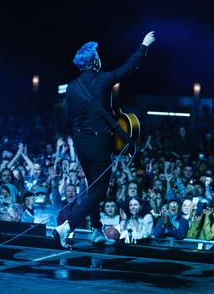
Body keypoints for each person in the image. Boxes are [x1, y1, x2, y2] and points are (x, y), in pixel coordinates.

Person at [53, 30, 156, 249]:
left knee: (92, 188)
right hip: (100, 145)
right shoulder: (103, 80)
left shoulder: (71, 87)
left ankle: (96, 230)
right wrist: (144, 44)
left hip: (81, 143)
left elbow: (68, 116)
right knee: (98, 192)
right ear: (95, 61)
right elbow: (128, 67)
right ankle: (66, 227)